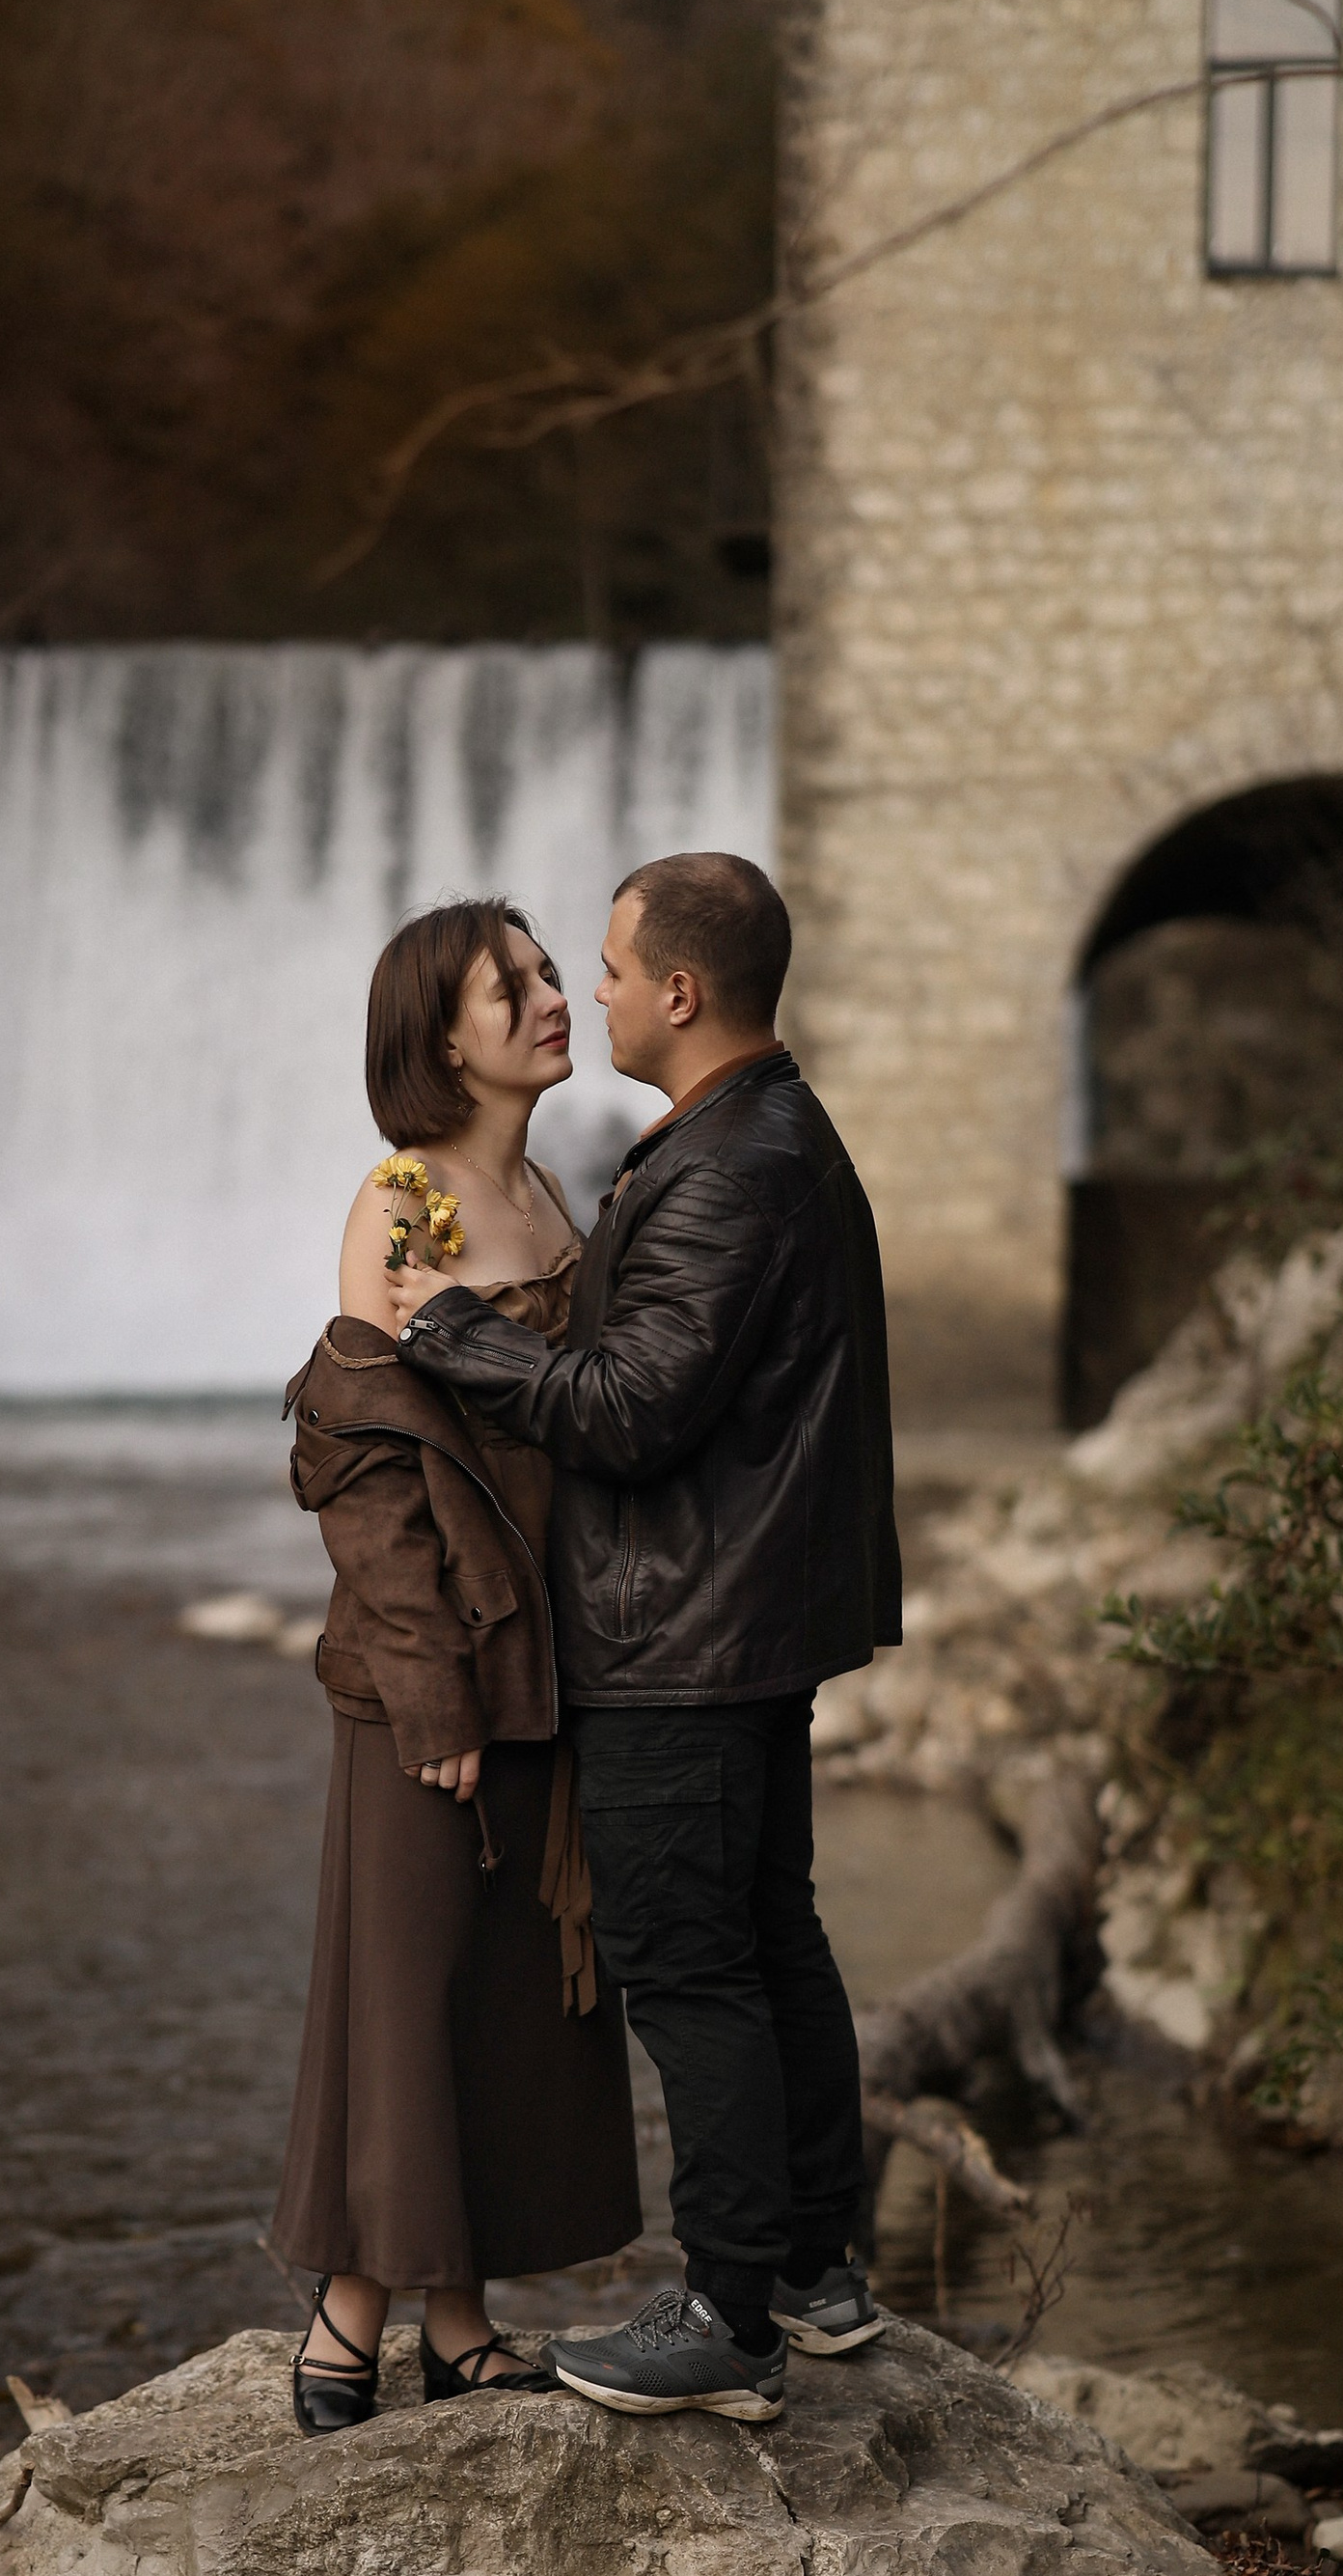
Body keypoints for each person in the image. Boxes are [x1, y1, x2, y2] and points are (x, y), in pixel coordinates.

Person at [380, 850, 899, 2426]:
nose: (587, 993)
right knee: (772, 1941)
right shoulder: (756, 1135)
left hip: (685, 1639)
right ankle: (813, 2274)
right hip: (740, 1619)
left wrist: (450, 1330)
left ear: (680, 993)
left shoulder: (734, 1164)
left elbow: (630, 1410)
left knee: (692, 1971)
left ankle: (727, 2313)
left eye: (604, 969)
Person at [268, 896, 642, 2434]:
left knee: (501, 1982)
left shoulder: (551, 1193)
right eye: (518, 987)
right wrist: (430, 1689)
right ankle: (348, 2318)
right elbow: (363, 1471)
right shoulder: (401, 1204)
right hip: (429, 1673)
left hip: (546, 1661)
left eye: (556, 974)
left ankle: (461, 2319)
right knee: (407, 1980)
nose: (556, 999)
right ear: (441, 1037)